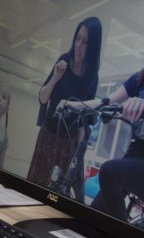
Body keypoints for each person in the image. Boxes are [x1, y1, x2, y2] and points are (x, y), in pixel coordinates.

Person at [62, 5, 144, 222]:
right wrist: (72, 105)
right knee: (90, 220)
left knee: (108, 170)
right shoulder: (138, 78)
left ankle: (124, 236)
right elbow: (106, 100)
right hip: (133, 157)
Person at [27, 17, 102, 189]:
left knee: (58, 192)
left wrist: (78, 156)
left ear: (92, 47)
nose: (78, 45)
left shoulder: (92, 77)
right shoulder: (64, 61)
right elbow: (43, 98)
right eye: (78, 39)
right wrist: (55, 78)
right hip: (48, 135)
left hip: (68, 144)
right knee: (35, 184)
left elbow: (85, 122)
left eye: (85, 42)